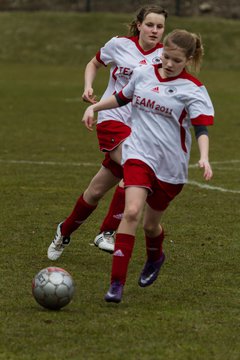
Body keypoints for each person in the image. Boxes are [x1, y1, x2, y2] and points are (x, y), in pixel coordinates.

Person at [81, 29, 214, 303]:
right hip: (138, 154)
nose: (167, 63)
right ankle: (116, 284)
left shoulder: (194, 90)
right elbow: (121, 98)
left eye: (175, 60)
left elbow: (201, 127)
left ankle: (156, 256)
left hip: (170, 166)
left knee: (151, 226)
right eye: (165, 56)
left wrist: (204, 156)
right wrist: (94, 108)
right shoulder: (143, 73)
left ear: (188, 59)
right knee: (131, 212)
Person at [47, 4, 168, 260]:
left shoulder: (165, 56)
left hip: (140, 129)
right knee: (135, 170)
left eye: (160, 26)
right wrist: (88, 86)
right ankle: (107, 232)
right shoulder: (119, 45)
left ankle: (64, 229)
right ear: (138, 25)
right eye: (150, 25)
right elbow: (93, 63)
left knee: (95, 191)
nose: (154, 30)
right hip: (111, 118)